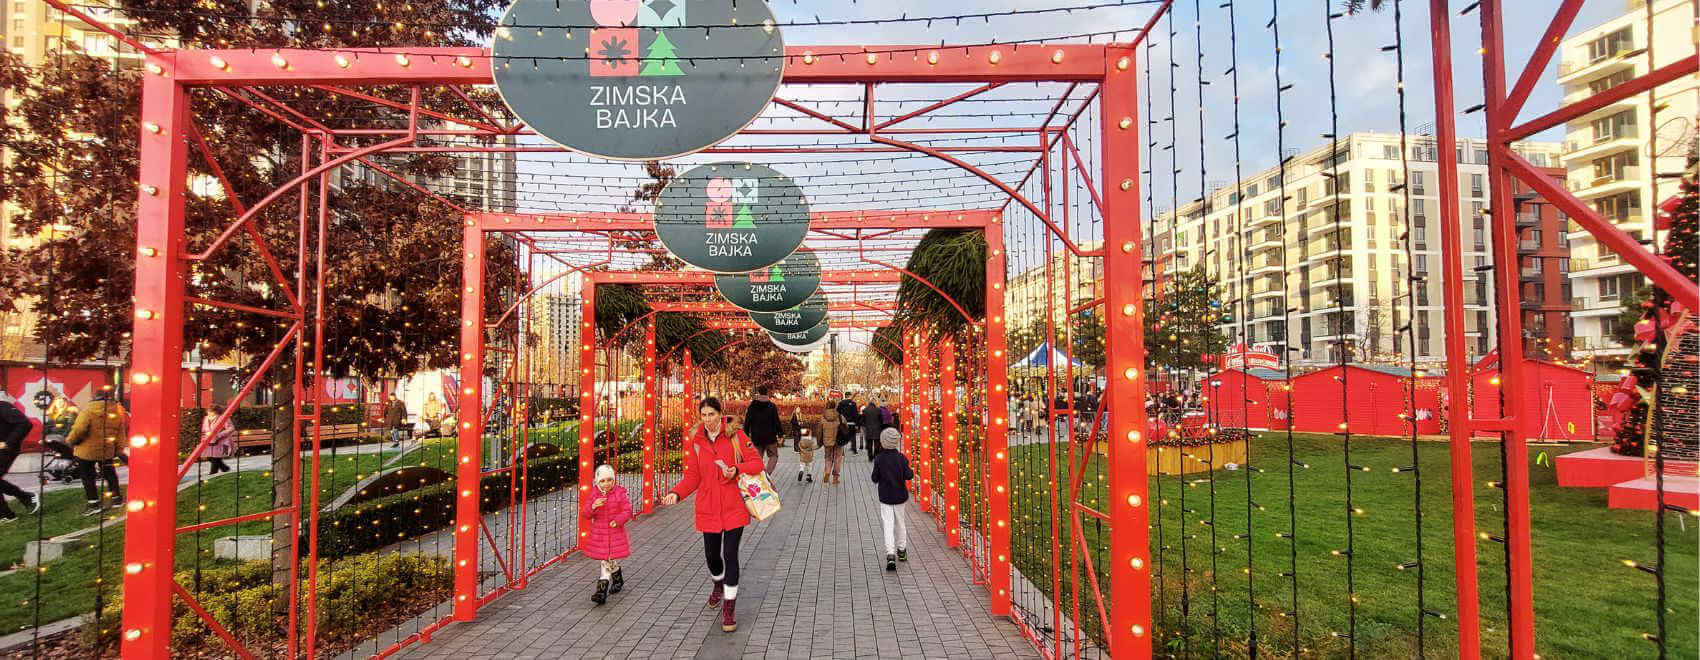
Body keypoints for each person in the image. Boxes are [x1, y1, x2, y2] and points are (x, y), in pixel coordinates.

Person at [660, 397, 764, 633]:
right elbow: (692, 476)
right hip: (708, 507)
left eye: (711, 414)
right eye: (704, 415)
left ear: (720, 414)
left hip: (733, 506)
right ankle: (717, 582)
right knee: (711, 557)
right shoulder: (696, 442)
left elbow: (757, 463)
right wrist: (676, 494)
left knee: (730, 555)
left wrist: (737, 469)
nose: (707, 420)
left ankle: (729, 607)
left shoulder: (736, 436)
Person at [66, 388, 125, 516]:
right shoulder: (116, 411)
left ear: (94, 397)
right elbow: (121, 433)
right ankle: (117, 499)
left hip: (87, 450)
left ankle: (93, 503)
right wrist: (119, 448)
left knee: (88, 476)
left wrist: (70, 441)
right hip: (107, 449)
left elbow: (79, 429)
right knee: (110, 474)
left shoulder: (88, 410)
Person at [583, 464, 634, 605]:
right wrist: (594, 506)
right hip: (600, 534)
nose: (607, 484)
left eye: (610, 480)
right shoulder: (594, 494)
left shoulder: (619, 493)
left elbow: (627, 510)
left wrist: (618, 520)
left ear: (614, 480)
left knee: (606, 560)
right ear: (597, 481)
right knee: (608, 559)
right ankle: (617, 579)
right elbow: (585, 514)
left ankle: (601, 592)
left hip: (615, 532)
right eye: (603, 481)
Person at [870, 427, 914, 572]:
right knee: (900, 523)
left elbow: (874, 478)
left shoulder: (879, 459)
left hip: (885, 496)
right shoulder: (901, 458)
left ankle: (890, 554)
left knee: (888, 525)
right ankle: (902, 550)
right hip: (900, 496)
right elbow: (909, 475)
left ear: (882, 442)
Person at [0, 394, 40, 522]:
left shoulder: (3, 407)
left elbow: (25, 423)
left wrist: (8, 442)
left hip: (6, 449)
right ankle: (6, 514)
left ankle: (24, 497)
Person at [742, 386, 783, 474]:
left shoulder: (752, 406)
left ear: (758, 393)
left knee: (757, 459)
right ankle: (767, 474)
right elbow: (777, 422)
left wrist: (745, 437)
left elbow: (747, 423)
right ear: (767, 393)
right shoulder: (772, 406)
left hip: (756, 438)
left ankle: (760, 476)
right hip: (770, 438)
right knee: (774, 456)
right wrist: (780, 435)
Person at [198, 406, 236, 474]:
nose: (209, 414)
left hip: (221, 441)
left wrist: (219, 434)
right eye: (208, 412)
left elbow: (231, 428)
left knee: (215, 458)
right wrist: (205, 435)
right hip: (209, 440)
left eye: (212, 413)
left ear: (217, 412)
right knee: (209, 457)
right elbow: (203, 429)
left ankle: (212, 474)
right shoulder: (206, 418)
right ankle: (225, 468)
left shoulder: (223, 418)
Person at [820, 403, 843, 484]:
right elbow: (846, 426)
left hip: (827, 441)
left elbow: (820, 429)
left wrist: (820, 441)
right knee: (837, 458)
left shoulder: (823, 416)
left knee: (828, 458)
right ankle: (835, 478)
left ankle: (827, 471)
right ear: (835, 406)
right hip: (838, 441)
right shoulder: (839, 416)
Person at [860, 397, 884, 463]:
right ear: (874, 403)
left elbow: (862, 420)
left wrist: (865, 425)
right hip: (877, 429)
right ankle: (876, 456)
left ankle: (870, 457)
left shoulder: (865, 410)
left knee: (869, 444)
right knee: (877, 444)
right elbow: (881, 420)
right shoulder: (878, 410)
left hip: (868, 429)